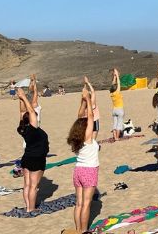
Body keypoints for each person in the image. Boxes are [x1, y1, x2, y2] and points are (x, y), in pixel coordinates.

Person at [68, 83, 98, 233]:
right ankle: (83, 230)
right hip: (89, 171)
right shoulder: (87, 137)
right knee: (86, 204)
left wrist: (83, 101)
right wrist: (87, 98)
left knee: (78, 204)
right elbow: (90, 117)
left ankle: (78, 229)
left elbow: (80, 117)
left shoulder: (77, 138)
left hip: (78, 171)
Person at [16, 87, 49, 212]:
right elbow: (29, 112)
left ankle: (28, 207)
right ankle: (31, 208)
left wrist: (20, 100)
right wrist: (24, 97)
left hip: (27, 158)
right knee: (33, 186)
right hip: (36, 159)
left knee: (27, 185)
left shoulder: (23, 129)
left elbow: (21, 113)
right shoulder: (33, 128)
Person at [109, 68, 124, 140]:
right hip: (119, 110)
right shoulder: (117, 92)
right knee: (119, 125)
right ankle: (117, 137)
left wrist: (114, 76)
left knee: (114, 124)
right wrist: (117, 75)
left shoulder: (111, 93)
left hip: (114, 110)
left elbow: (112, 85)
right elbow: (119, 83)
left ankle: (115, 137)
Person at [85, 77, 99, 141]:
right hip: (94, 120)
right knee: (94, 135)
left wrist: (85, 84)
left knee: (89, 136)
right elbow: (93, 91)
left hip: (87, 121)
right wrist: (87, 83)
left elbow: (85, 93)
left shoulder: (85, 105)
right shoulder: (92, 103)